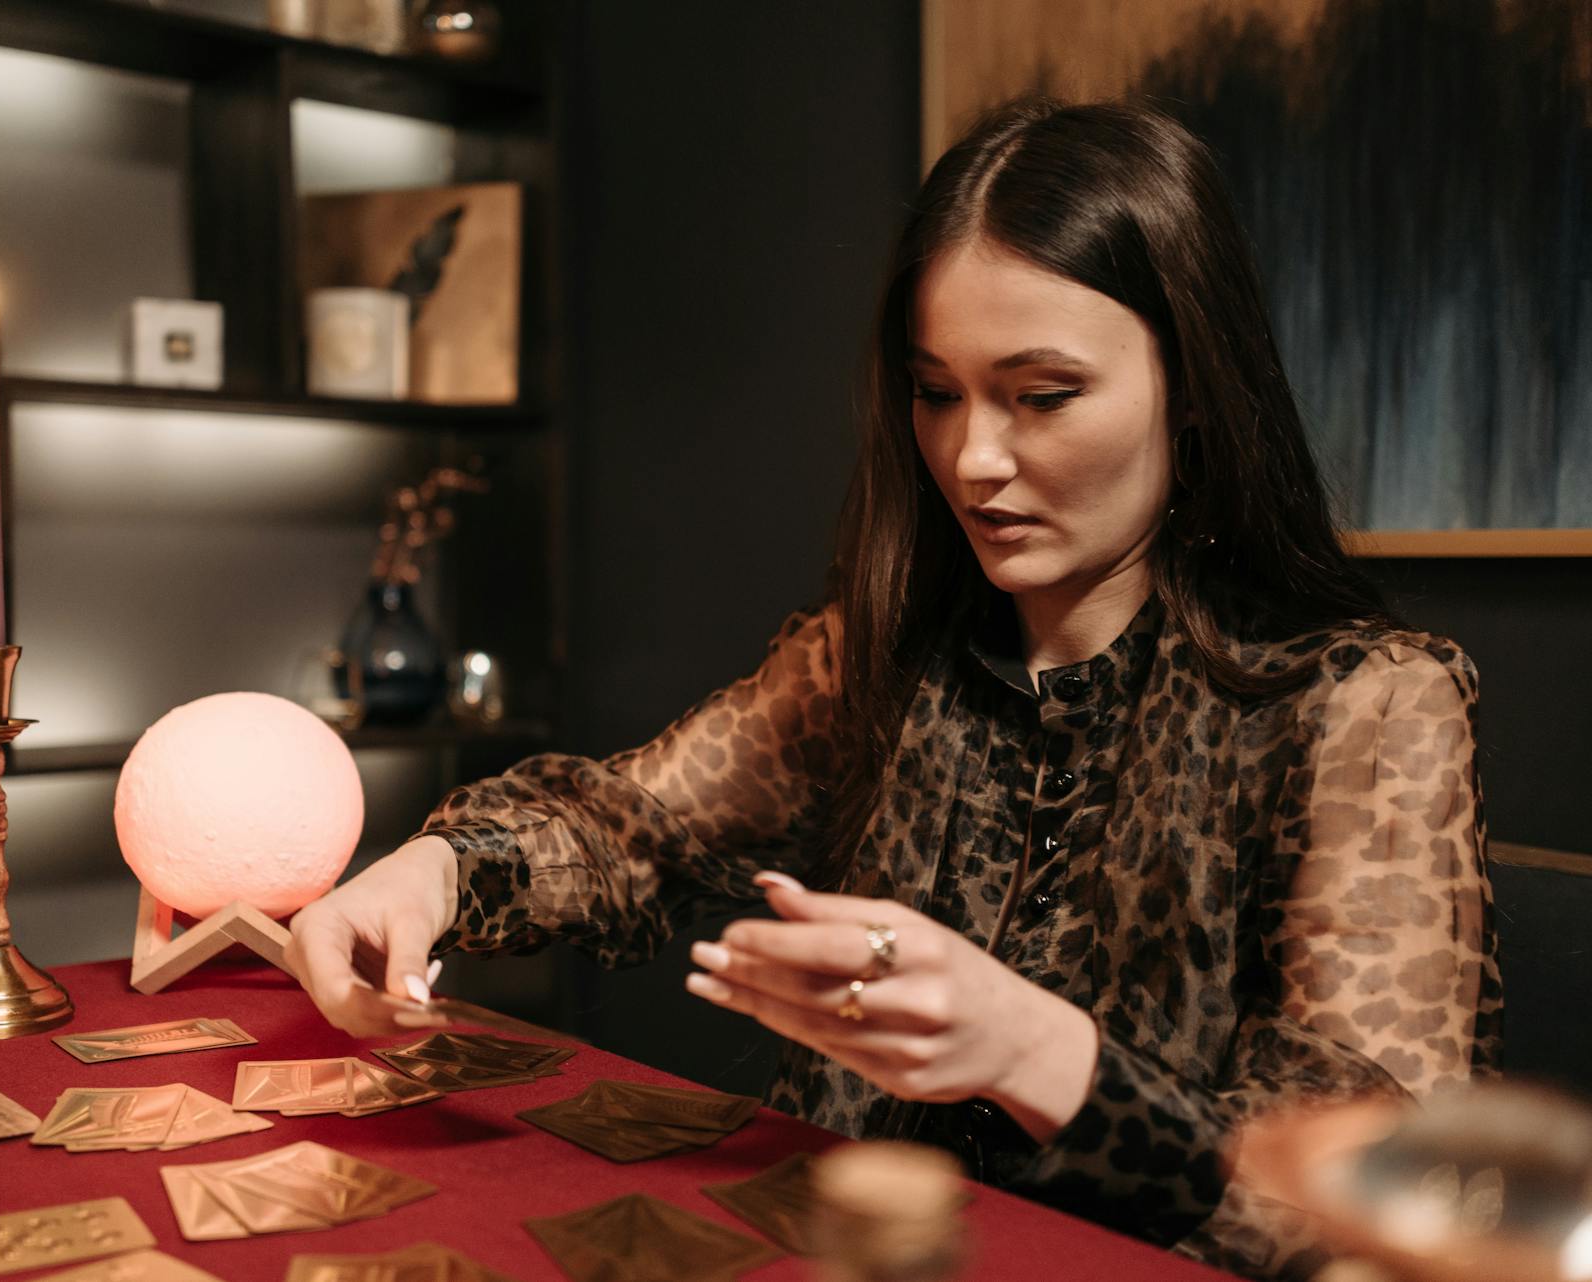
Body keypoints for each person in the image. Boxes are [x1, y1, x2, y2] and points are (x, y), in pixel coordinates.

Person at [288, 97, 1502, 1280]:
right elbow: (627, 820)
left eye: (1043, 396)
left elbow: (1372, 1184)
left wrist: (1042, 1053)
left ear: (1192, 381)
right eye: (937, 392)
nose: (974, 458)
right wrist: (442, 871)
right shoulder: (880, 654)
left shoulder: (1366, 702)